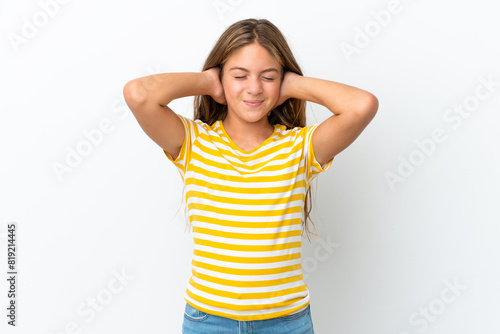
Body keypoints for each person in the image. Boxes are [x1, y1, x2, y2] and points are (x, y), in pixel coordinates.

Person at [123, 18, 378, 334]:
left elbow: (362, 105)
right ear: (222, 78)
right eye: (239, 75)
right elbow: (138, 94)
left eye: (268, 77)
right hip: (208, 322)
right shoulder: (194, 142)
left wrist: (292, 84)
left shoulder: (300, 147)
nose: (254, 88)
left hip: (286, 323)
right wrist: (207, 81)